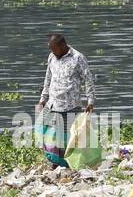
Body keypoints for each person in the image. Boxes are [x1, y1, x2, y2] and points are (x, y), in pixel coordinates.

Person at [36, 33, 95, 168]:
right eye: (50, 49)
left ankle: (68, 163)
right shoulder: (52, 57)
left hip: (70, 104)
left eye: (54, 48)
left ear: (63, 46)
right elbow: (48, 79)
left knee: (68, 137)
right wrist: (43, 98)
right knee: (46, 132)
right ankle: (54, 162)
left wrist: (90, 100)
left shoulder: (78, 58)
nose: (52, 51)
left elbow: (88, 79)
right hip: (53, 103)